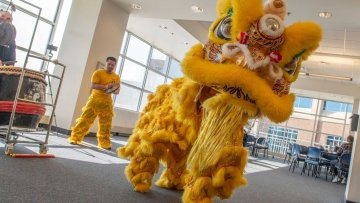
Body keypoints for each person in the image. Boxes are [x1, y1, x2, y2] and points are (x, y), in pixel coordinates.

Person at [68, 56, 120, 149]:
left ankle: (104, 143)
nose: (110, 66)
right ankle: (75, 137)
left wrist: (112, 89)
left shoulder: (116, 77)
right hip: (95, 100)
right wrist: (106, 86)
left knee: (106, 124)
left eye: (112, 65)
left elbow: (117, 91)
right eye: (109, 64)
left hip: (107, 102)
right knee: (85, 119)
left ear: (114, 66)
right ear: (106, 63)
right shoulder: (98, 73)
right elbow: (93, 85)